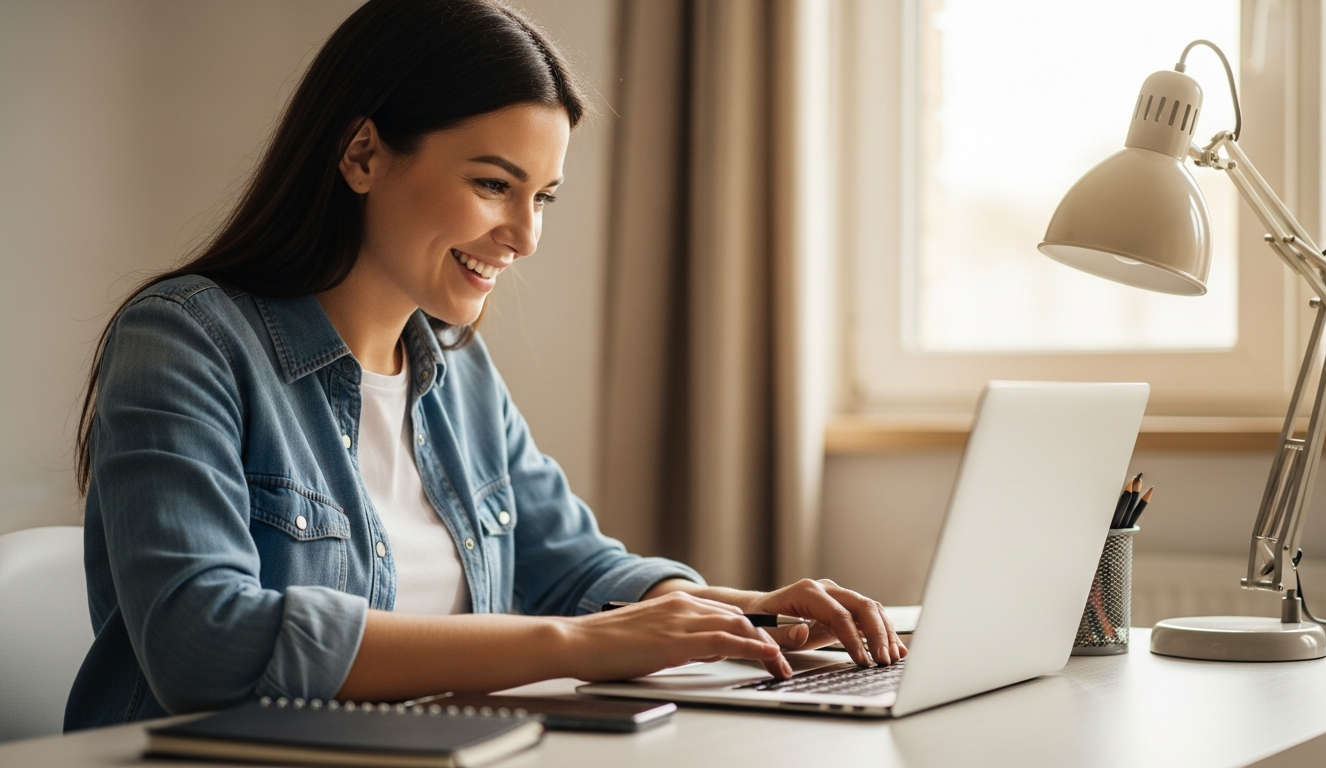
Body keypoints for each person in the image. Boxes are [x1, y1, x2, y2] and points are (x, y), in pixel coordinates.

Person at [65, 0, 904, 732]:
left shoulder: (455, 368)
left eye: (542, 197)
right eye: (495, 185)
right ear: (362, 154)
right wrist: (576, 645)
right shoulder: (186, 341)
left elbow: (574, 569)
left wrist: (748, 613)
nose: (525, 237)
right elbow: (204, 642)